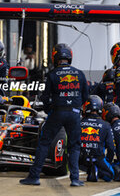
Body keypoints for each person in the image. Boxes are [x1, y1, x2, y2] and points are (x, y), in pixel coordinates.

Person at [20, 43, 89, 187]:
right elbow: (86, 96)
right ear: (69, 57)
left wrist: (48, 110)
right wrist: (76, 107)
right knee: (74, 146)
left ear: (55, 56)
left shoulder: (52, 74)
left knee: (44, 142)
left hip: (58, 112)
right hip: (75, 113)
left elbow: (45, 97)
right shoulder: (80, 73)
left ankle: (34, 176)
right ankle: (75, 179)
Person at [80, 95, 115, 182]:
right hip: (98, 159)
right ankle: (96, 169)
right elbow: (111, 147)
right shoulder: (106, 125)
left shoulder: (79, 123)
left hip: (80, 160)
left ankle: (90, 168)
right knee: (110, 176)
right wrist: (109, 161)